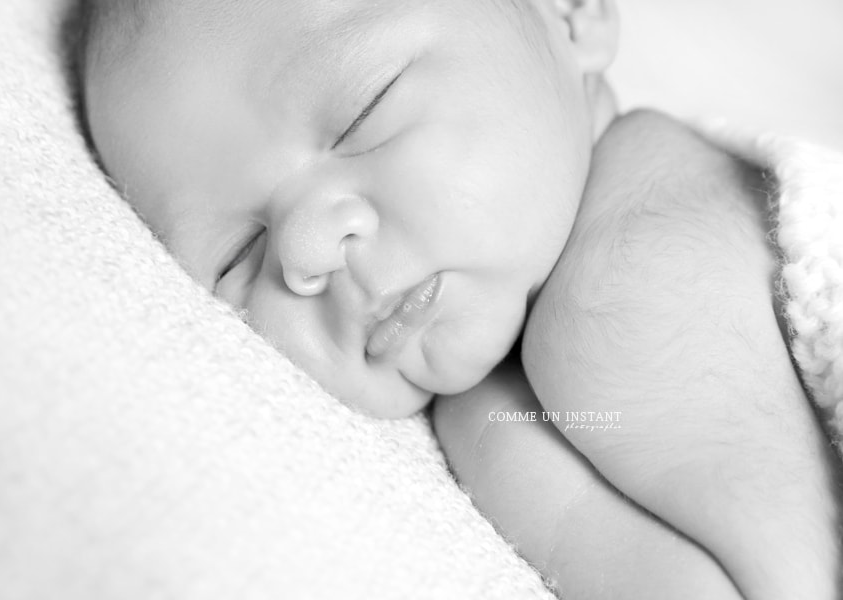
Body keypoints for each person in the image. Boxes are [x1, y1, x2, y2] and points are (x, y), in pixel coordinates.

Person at [75, 0, 843, 597]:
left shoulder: (643, 250)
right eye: (238, 258)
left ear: (570, 13)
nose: (308, 248)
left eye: (361, 112)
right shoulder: (501, 414)